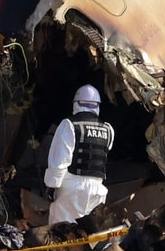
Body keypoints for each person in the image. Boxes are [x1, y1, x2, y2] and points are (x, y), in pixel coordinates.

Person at [45, 85, 115, 225]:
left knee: (60, 234)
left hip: (72, 190)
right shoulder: (108, 129)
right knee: (87, 239)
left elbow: (59, 161)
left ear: (76, 104)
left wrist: (52, 185)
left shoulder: (69, 124)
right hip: (97, 192)